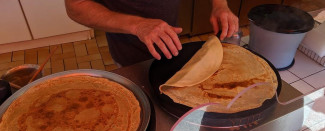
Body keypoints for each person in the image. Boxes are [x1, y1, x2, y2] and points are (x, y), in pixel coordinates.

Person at [65, 0, 239, 67]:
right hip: (129, 51)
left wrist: (220, 5)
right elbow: (76, 6)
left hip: (170, 42)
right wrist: (137, 25)